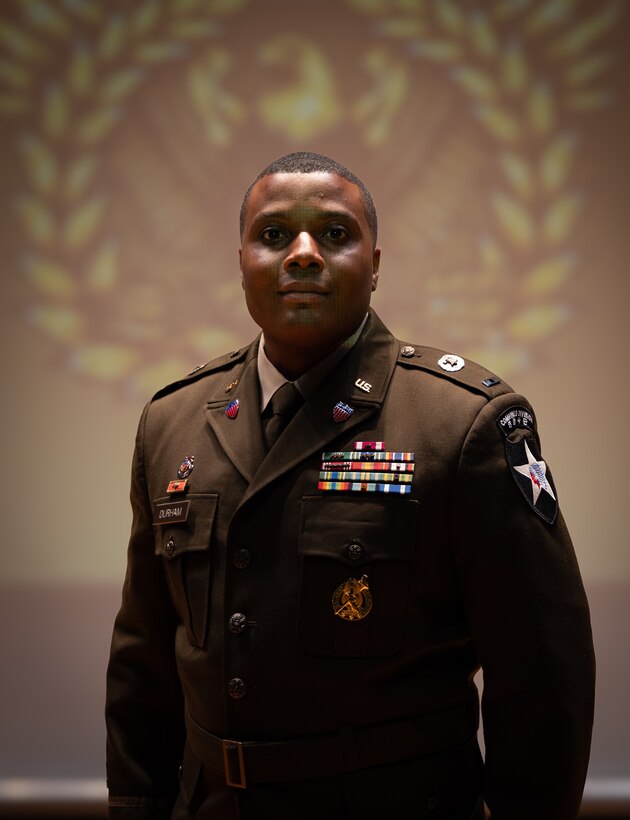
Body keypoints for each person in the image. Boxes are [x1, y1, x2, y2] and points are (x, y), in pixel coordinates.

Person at [106, 152, 595, 820]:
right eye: (274, 235)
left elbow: (542, 678)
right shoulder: (173, 421)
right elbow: (145, 664)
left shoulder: (462, 423)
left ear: (375, 263)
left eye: (335, 234)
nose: (303, 254)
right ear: (242, 260)